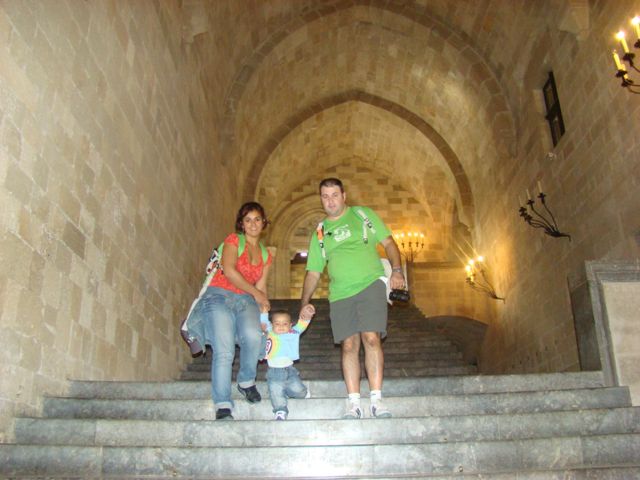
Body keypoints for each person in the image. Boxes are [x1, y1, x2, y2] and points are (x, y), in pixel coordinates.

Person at [299, 178, 405, 419]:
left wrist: (397, 271)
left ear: (344, 196)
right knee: (348, 345)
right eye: (325, 196)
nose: (330, 201)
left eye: (334, 195)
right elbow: (313, 271)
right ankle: (354, 403)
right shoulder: (320, 232)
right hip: (340, 293)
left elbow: (389, 243)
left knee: (371, 338)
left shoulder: (362, 215)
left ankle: (376, 400)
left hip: (370, 284)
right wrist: (304, 302)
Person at [186, 202, 272, 420]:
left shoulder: (266, 255)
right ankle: (222, 403)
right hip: (219, 296)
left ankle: (246, 381)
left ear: (263, 223)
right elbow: (230, 271)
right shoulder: (233, 240)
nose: (253, 224)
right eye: (248, 220)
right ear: (241, 224)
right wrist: (257, 293)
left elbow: (262, 287)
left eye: (257, 219)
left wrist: (264, 312)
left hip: (246, 300)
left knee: (253, 336)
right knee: (224, 350)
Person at [260, 306, 315, 420]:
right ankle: (280, 411)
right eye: (277, 323)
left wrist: (307, 316)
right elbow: (264, 322)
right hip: (273, 372)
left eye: (285, 324)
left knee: (298, 390)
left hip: (290, 371)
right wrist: (264, 312)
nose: (281, 326)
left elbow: (301, 325)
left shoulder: (293, 333)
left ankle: (303, 393)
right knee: (275, 392)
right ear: (272, 325)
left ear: (290, 326)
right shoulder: (269, 332)